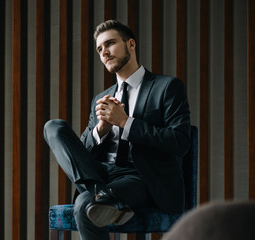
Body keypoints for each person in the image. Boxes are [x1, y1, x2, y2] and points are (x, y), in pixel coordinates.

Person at [44, 20, 191, 240]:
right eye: (100, 49)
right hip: (102, 175)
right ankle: (101, 193)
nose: (104, 52)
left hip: (142, 178)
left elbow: (180, 142)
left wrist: (125, 122)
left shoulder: (167, 87)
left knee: (84, 204)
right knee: (53, 126)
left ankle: (99, 195)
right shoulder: (100, 99)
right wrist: (101, 130)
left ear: (131, 44)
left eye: (110, 43)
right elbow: (80, 155)